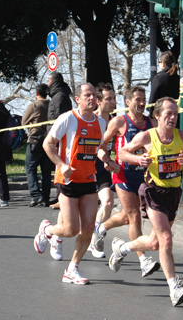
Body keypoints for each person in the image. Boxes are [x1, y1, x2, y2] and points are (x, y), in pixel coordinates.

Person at [109, 97, 183, 306]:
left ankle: (122, 248)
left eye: (175, 114)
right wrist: (137, 159)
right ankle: (174, 288)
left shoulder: (182, 136)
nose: (173, 118)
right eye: (168, 114)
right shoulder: (147, 137)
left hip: (173, 193)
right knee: (166, 239)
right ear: (157, 116)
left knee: (154, 242)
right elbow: (122, 152)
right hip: (152, 191)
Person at [34, 83, 108, 285]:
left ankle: (72, 269)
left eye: (94, 95)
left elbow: (98, 148)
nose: (92, 98)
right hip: (68, 180)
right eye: (87, 95)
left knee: (89, 227)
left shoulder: (101, 123)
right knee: (70, 230)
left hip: (89, 179)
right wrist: (61, 164)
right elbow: (47, 144)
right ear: (78, 99)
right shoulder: (68, 118)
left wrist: (107, 161)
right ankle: (47, 231)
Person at [92, 86, 161, 277]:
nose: (141, 103)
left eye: (143, 99)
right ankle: (143, 260)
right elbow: (100, 144)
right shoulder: (120, 121)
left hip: (145, 177)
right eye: (137, 99)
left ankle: (101, 227)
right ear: (128, 102)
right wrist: (107, 160)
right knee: (134, 216)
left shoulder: (152, 122)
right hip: (123, 175)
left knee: (125, 217)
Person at [87, 83, 119, 259]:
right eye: (109, 99)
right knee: (72, 218)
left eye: (114, 98)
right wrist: (106, 158)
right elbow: (97, 147)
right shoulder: (90, 120)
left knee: (107, 201)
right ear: (98, 101)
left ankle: (96, 238)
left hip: (103, 168)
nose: (113, 102)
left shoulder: (116, 121)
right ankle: (52, 234)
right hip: (85, 168)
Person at [22, 83, 53, 207]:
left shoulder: (34, 105)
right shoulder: (51, 104)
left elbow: (24, 122)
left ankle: (36, 195)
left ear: (36, 93)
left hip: (35, 139)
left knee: (30, 168)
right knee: (46, 171)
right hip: (48, 139)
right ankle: (45, 196)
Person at [47, 71, 73, 208]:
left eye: (49, 81)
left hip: (59, 138)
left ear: (54, 81)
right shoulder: (59, 95)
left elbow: (57, 118)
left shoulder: (59, 97)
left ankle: (61, 198)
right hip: (59, 137)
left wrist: (53, 138)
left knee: (60, 167)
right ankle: (60, 197)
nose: (47, 84)